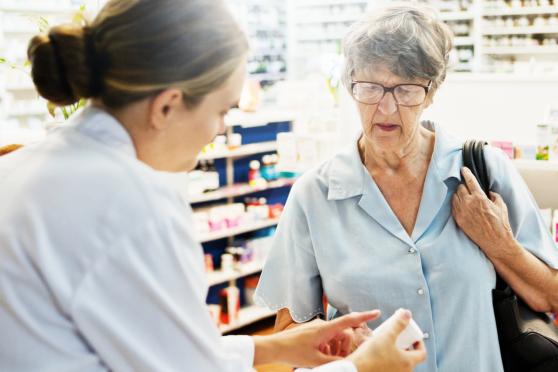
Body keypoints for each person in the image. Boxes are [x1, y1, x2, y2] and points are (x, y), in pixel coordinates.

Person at [0, 1, 426, 371]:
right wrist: (362, 368)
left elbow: (157, 350)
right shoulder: (134, 206)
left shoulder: (26, 165)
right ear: (167, 105)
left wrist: (272, 347)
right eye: (223, 110)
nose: (220, 130)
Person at [254, 3, 558, 372]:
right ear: (350, 85)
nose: (385, 108)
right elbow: (288, 330)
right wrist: (338, 346)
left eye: (406, 90)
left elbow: (549, 296)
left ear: (432, 91)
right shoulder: (314, 195)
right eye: (370, 87)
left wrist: (499, 244)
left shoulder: (482, 172)